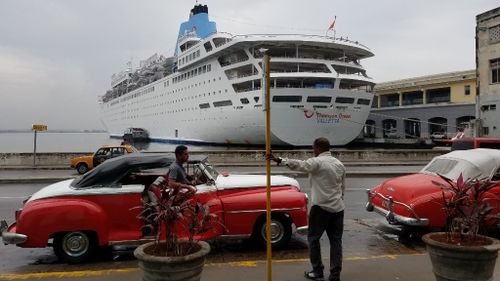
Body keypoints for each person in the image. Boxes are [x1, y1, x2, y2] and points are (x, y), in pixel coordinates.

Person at [268, 137, 345, 281]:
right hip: (338, 208)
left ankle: (317, 271)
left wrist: (279, 160)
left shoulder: (317, 162)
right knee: (336, 241)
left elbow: (300, 165)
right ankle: (335, 275)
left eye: (313, 148)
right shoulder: (339, 164)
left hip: (321, 208)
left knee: (313, 239)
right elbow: (342, 188)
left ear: (318, 148)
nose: (312, 150)